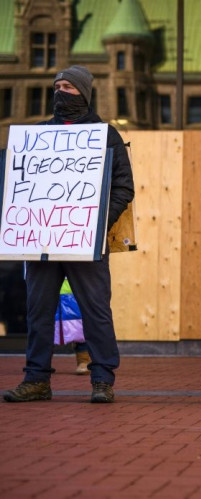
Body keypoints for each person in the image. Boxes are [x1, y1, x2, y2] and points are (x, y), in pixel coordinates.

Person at [4, 65, 135, 404]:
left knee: (95, 310)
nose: (61, 91)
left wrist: (97, 224)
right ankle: (36, 380)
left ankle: (102, 378)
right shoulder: (36, 134)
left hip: (86, 240)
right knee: (38, 310)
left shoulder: (105, 134)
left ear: (85, 93)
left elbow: (123, 187)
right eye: (57, 85)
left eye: (69, 87)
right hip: (41, 240)